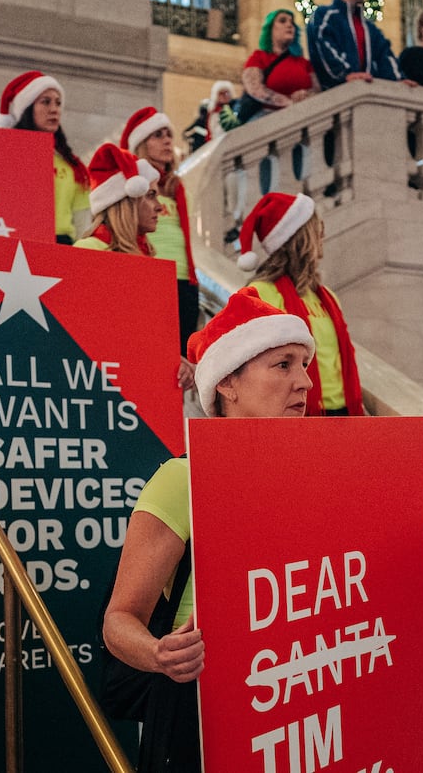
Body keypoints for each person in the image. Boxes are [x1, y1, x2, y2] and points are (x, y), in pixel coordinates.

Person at [103, 287, 316, 772]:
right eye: (283, 364)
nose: (304, 381)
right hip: (205, 710)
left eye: (304, 363)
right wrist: (160, 654)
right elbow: (119, 621)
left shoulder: (309, 477)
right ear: (227, 384)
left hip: (293, 698)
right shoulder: (183, 477)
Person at [237, 192, 364, 416]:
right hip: (295, 416)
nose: (323, 234)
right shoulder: (260, 294)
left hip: (344, 416)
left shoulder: (328, 298)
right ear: (301, 237)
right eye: (317, 228)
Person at [120, 108, 202, 354]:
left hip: (185, 279)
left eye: (169, 134)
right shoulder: (132, 184)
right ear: (141, 144)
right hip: (152, 274)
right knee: (154, 353)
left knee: (183, 359)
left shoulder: (176, 185)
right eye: (157, 135)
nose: (167, 140)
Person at [0, 70, 90, 245]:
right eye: (45, 102)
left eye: (58, 103)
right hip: (17, 241)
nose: (54, 109)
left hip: (63, 245)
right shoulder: (5, 155)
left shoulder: (72, 165)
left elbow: (82, 218)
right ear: (28, 108)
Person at [309, 0, 404, 90]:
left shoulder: (368, 26)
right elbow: (324, 46)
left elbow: (384, 53)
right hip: (337, 92)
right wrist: (345, 74)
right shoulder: (325, 16)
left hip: (367, 90)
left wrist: (398, 79)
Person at [74, 143, 160, 256]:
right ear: (125, 204)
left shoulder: (146, 253)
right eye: (150, 195)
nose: (159, 207)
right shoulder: (86, 250)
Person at [241, 9, 320, 118]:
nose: (289, 25)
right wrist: (288, 102)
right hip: (269, 118)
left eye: (291, 22)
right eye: (282, 21)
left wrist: (306, 95)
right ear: (270, 29)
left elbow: (317, 89)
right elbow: (254, 88)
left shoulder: (304, 62)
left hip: (303, 116)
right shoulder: (259, 57)